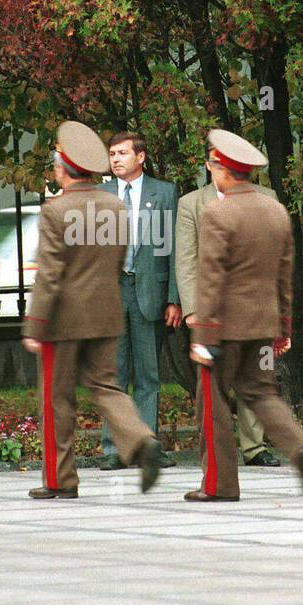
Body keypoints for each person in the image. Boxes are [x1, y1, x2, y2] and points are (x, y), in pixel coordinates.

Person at [21, 121, 163, 499]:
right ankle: (142, 440)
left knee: (57, 399)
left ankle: (60, 479)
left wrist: (35, 325)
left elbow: (50, 274)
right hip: (106, 312)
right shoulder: (114, 205)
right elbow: (117, 261)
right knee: (107, 387)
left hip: (63, 320)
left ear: (63, 168)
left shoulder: (56, 210)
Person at [186, 129, 303, 501]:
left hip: (224, 328)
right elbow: (284, 275)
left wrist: (203, 339)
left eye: (213, 165)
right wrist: (283, 328)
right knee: (260, 392)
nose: (211, 170)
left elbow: (212, 279)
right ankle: (299, 447)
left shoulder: (217, 213)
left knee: (211, 405)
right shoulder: (275, 210)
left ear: (225, 170)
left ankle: (219, 484)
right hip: (262, 324)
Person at [177, 173, 283, 467]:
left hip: (254, 309)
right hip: (211, 311)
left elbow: (275, 259)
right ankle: (218, 455)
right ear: (209, 165)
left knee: (256, 379)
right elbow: (187, 260)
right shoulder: (192, 203)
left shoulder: (267, 198)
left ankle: (255, 447)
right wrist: (192, 309)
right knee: (214, 387)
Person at [97, 131, 180, 470]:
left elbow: (174, 248)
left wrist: (174, 299)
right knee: (114, 374)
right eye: (112, 154)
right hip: (113, 292)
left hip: (150, 293)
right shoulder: (100, 194)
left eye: (122, 153)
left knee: (148, 375)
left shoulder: (165, 192)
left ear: (141, 157)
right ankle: (114, 448)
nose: (115, 159)